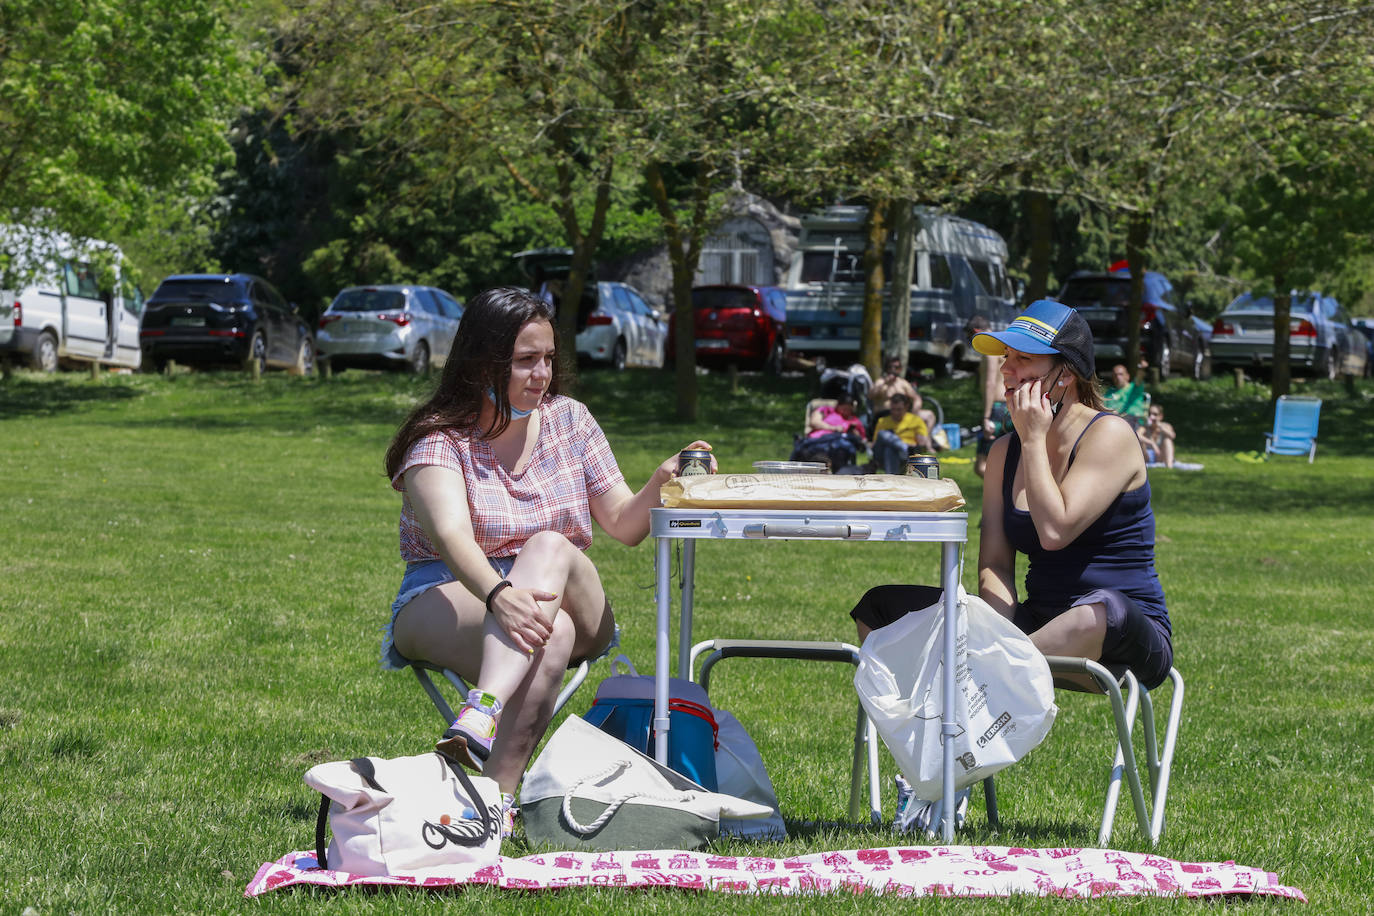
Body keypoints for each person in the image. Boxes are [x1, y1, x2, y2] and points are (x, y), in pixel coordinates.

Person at [381, 287, 714, 834]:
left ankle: (481, 707)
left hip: (569, 590)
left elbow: (626, 526)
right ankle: (497, 802)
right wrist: (498, 595)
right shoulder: (437, 439)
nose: (541, 374)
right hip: (450, 590)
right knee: (550, 633)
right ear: (482, 362)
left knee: (550, 545)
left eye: (548, 359)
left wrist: (662, 479)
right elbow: (451, 539)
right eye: (524, 361)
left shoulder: (571, 422)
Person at [848, 299, 1172, 834]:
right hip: (1035, 627)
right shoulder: (1003, 452)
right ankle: (932, 766)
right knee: (882, 608)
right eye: (1005, 357)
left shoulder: (1110, 436)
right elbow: (996, 562)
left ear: (1064, 375)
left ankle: (945, 762)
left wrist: (1034, 438)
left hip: (1120, 631)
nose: (1007, 369)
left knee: (1096, 611)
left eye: (1023, 360)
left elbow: (1055, 528)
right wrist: (983, 628)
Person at [969, 315, 1010, 478]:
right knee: (1002, 459)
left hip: (996, 410)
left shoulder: (990, 350)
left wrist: (986, 417)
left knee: (981, 465)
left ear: (976, 332)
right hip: (1005, 408)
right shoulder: (1000, 347)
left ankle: (1004, 491)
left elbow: (990, 383)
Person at [869, 354, 938, 439]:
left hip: (904, 415)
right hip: (885, 416)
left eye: (896, 367)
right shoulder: (880, 382)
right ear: (887, 368)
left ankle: (925, 442)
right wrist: (885, 383)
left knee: (929, 415)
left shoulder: (903, 383)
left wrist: (914, 412)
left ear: (900, 369)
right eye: (891, 367)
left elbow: (917, 398)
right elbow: (870, 396)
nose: (893, 370)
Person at [870, 393, 931, 473]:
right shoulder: (882, 421)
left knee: (890, 449)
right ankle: (903, 447)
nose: (895, 413)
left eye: (899, 409)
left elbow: (922, 444)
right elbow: (875, 444)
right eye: (893, 409)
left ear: (906, 407)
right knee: (882, 434)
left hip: (906, 457)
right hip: (882, 457)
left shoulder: (916, 421)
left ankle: (891, 477)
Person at [1136, 403, 1177, 468]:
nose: (1152, 417)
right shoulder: (1145, 427)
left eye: (1155, 414)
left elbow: (1172, 436)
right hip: (1147, 457)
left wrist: (1160, 427)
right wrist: (1151, 443)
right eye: (1150, 414)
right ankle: (1143, 465)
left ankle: (1169, 467)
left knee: (1167, 440)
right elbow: (1136, 435)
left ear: (1161, 416)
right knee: (1140, 441)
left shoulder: (1165, 426)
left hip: (1161, 456)